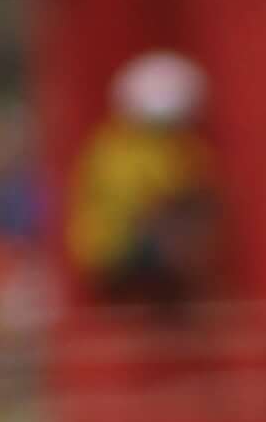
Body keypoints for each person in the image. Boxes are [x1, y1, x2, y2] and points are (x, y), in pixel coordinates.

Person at [64, 52, 221, 318]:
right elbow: (167, 209)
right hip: (126, 254)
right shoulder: (165, 151)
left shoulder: (103, 144)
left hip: (102, 254)